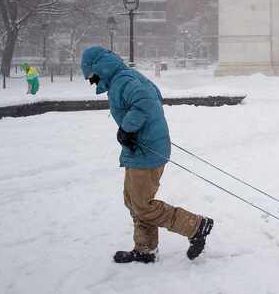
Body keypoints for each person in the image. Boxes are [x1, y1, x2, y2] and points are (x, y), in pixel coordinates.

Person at [80, 45, 213, 264]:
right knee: (134, 200)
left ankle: (196, 226)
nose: (92, 82)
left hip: (146, 151)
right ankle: (145, 249)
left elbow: (147, 102)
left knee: (142, 204)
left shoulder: (123, 80)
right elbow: (151, 98)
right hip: (142, 147)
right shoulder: (122, 78)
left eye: (92, 76)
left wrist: (127, 129)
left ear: (99, 68)